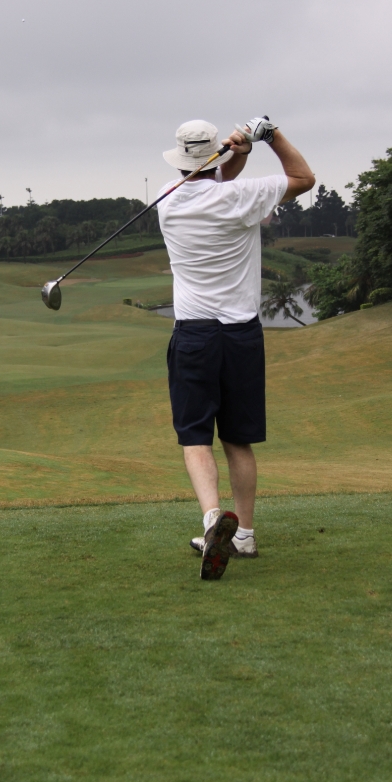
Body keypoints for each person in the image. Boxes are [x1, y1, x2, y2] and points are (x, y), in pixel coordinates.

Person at [158, 117, 315, 581]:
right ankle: (243, 533)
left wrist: (235, 154)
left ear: (180, 158)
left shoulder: (167, 199)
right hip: (241, 335)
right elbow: (304, 178)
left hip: (194, 335)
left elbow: (213, 182)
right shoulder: (242, 198)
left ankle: (213, 520)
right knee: (237, 439)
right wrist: (269, 136)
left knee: (195, 438)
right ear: (215, 155)